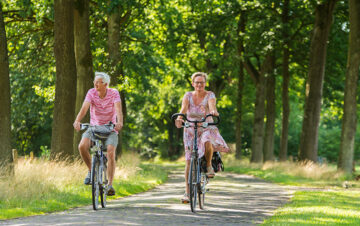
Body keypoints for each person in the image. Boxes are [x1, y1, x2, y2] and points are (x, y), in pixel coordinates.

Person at [175, 72, 229, 203]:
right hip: (190, 128)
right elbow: (183, 109)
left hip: (206, 125)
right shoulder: (188, 95)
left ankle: (209, 165)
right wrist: (179, 117)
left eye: (202, 82)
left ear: (205, 84)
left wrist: (213, 112)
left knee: (207, 139)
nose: (199, 85)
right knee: (188, 161)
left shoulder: (210, 95)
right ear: (193, 84)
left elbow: (212, 106)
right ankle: (187, 193)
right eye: (197, 82)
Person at [73, 72, 123, 196]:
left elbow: (118, 109)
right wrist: (77, 120)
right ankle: (91, 171)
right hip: (94, 128)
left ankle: (110, 185)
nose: (95, 84)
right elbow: (84, 108)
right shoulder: (91, 92)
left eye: (98, 82)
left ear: (105, 84)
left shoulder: (114, 93)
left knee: (110, 152)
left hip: (110, 128)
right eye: (95, 82)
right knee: (82, 146)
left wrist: (119, 122)